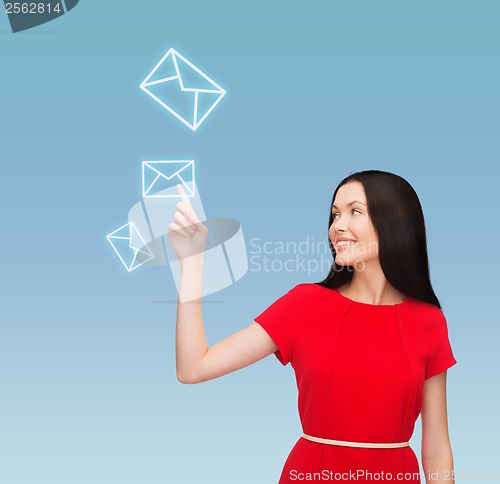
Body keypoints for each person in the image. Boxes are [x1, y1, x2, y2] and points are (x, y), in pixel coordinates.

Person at [170, 169, 458, 484]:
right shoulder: (305, 305)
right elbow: (193, 368)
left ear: (395, 223)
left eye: (354, 212)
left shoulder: (428, 320)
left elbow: (437, 448)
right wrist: (191, 265)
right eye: (334, 215)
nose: (338, 226)